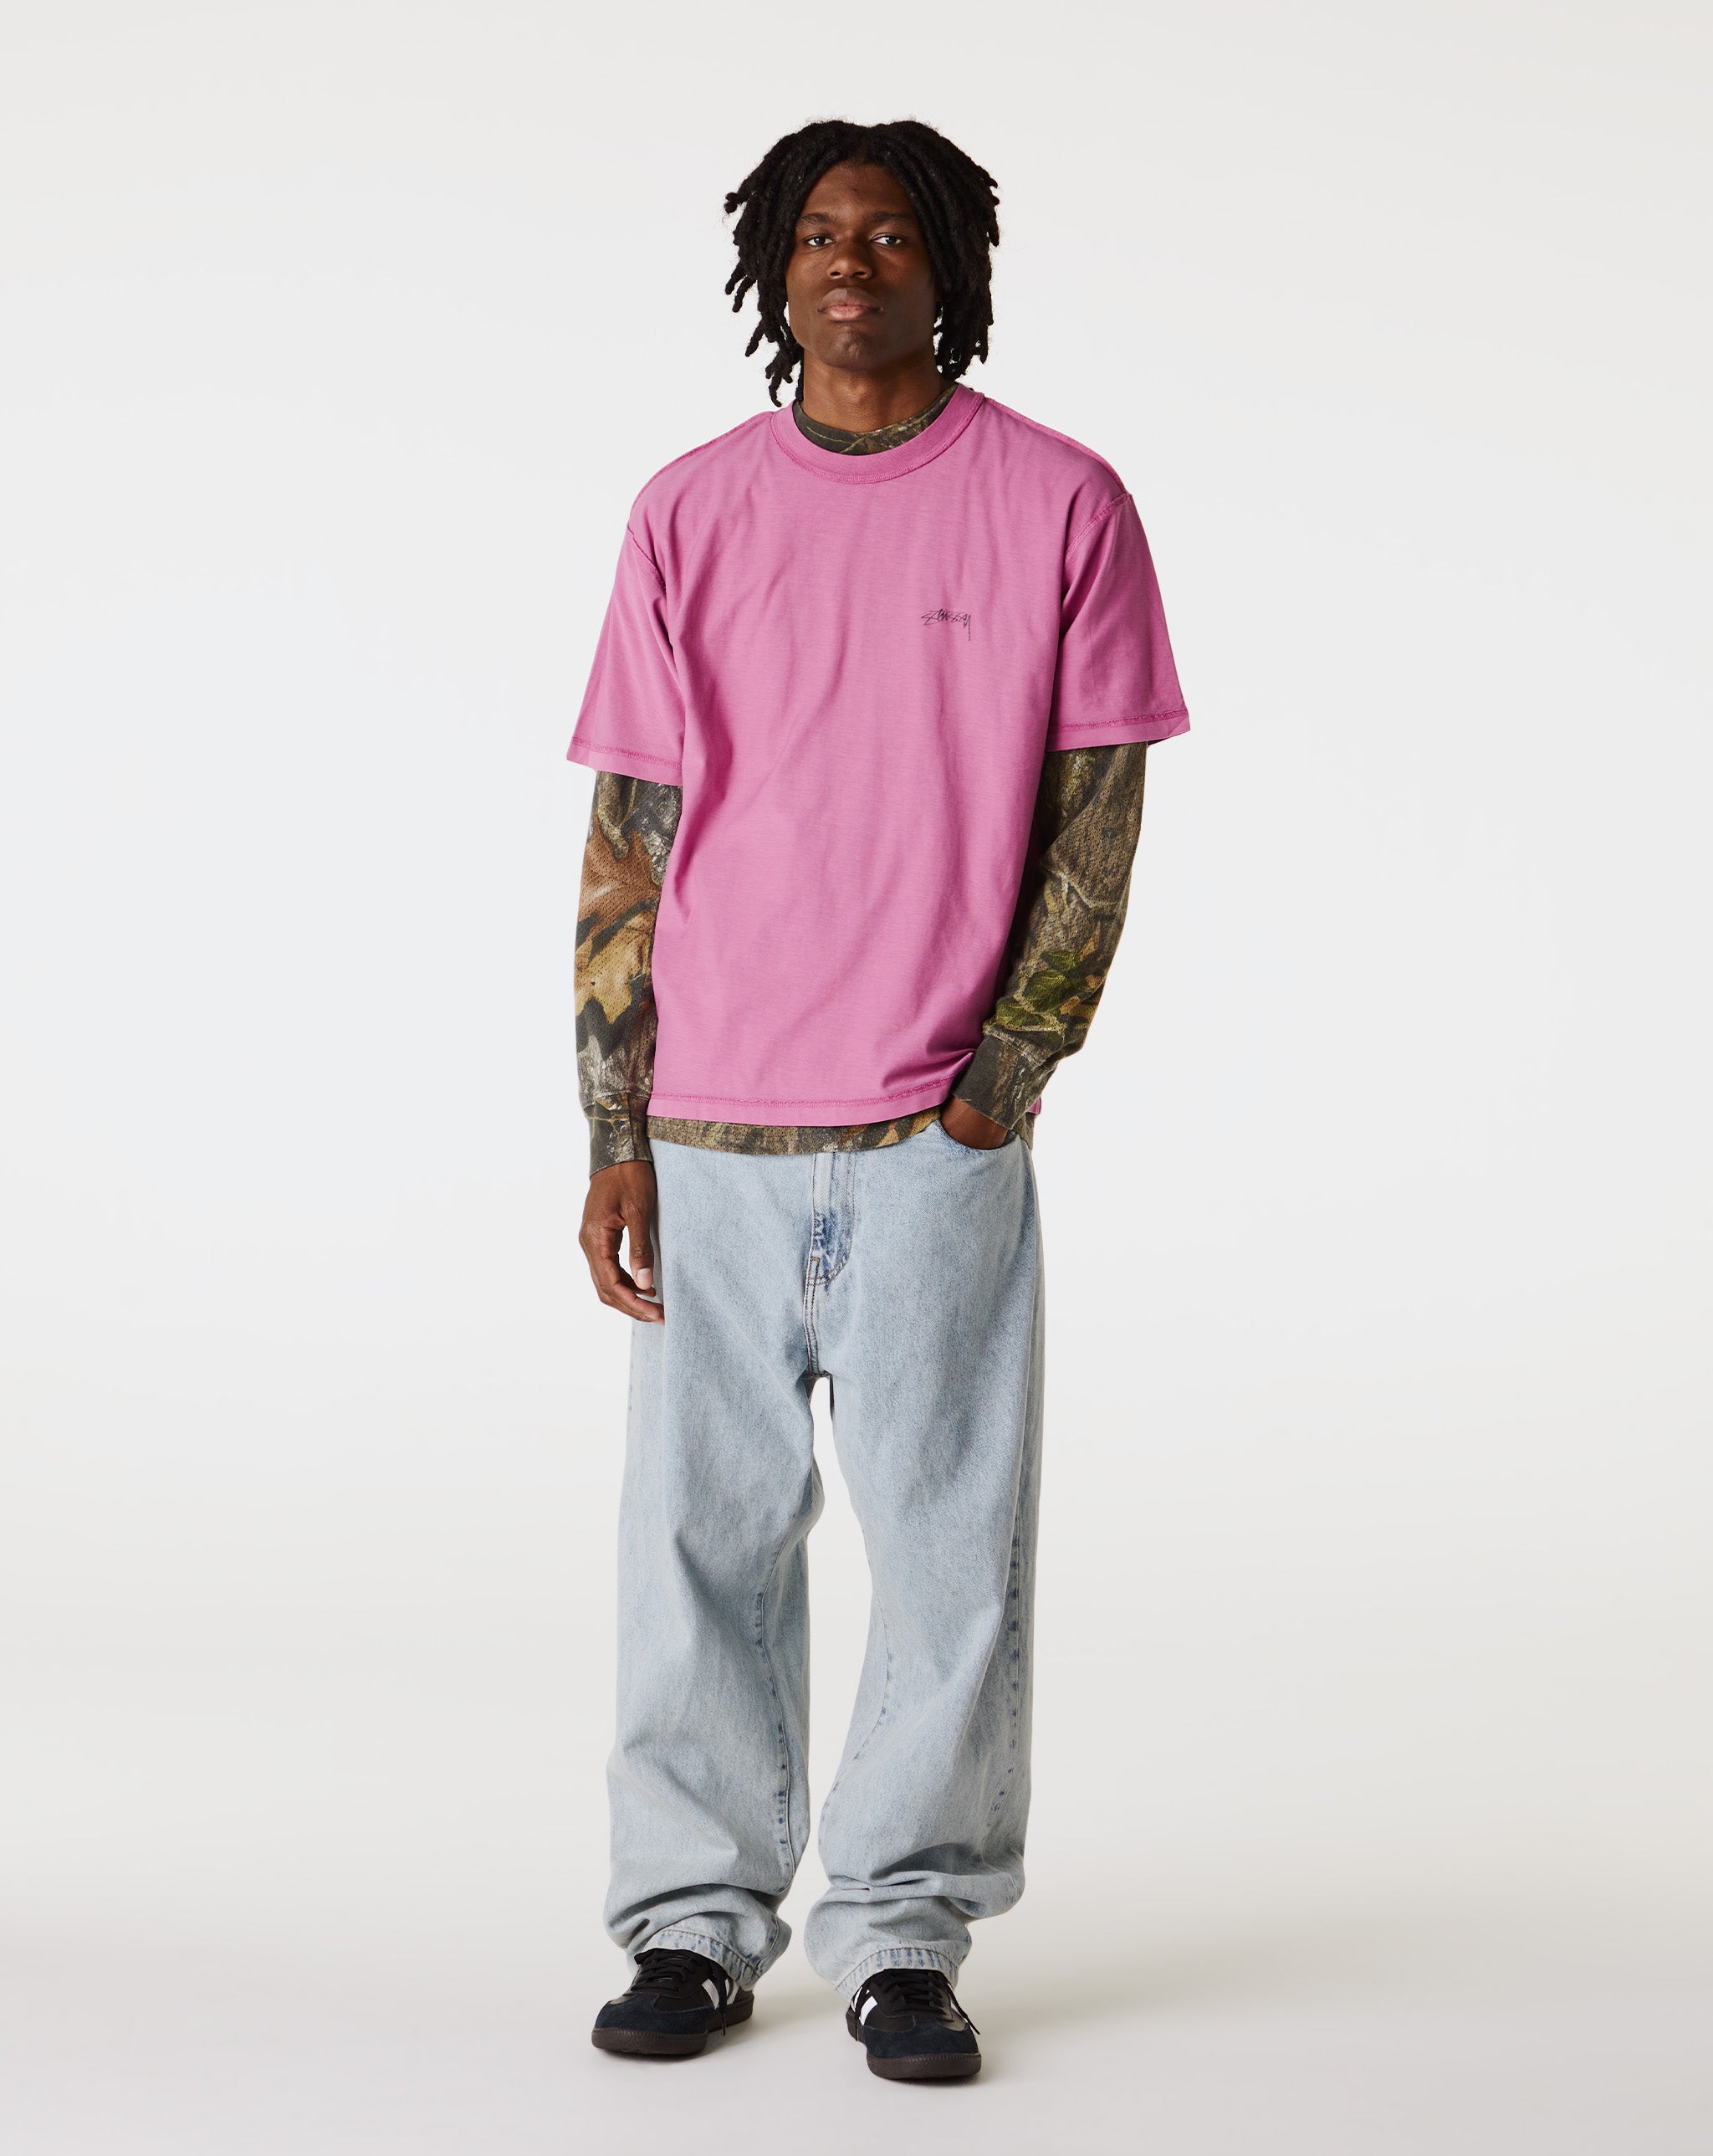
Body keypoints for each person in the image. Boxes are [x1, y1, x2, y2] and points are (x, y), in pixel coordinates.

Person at [568, 118, 1188, 2082]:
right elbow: (629, 837)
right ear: (775, 269)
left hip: (933, 1130)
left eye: (892, 234)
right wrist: (611, 1125)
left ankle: (907, 1931)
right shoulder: (687, 512)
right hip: (711, 1126)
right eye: (820, 234)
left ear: (949, 269)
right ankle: (690, 1919)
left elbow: (1097, 816)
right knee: (697, 1542)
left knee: (946, 1552)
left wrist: (1005, 1076)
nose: (853, 262)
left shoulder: (1062, 501)